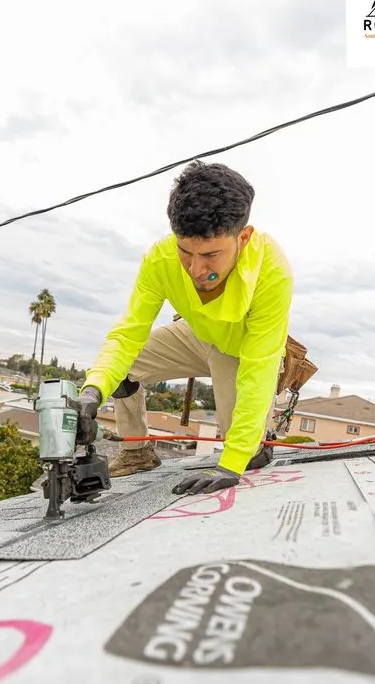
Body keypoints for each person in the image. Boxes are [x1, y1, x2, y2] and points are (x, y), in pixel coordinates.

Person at [75, 160, 293, 496]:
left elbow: (260, 367)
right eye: (185, 252)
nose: (195, 269)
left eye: (211, 255)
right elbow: (128, 334)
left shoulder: (272, 270)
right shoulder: (160, 259)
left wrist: (231, 463)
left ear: (244, 237)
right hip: (198, 334)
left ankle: (259, 443)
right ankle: (137, 452)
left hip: (243, 349)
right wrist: (91, 392)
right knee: (117, 372)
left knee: (248, 450)